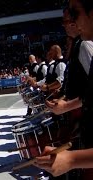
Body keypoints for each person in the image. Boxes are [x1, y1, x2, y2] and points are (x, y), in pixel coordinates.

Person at [34, 0, 93, 177]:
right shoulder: (81, 44)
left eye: (74, 15)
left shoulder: (85, 45)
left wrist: (73, 159)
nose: (71, 23)